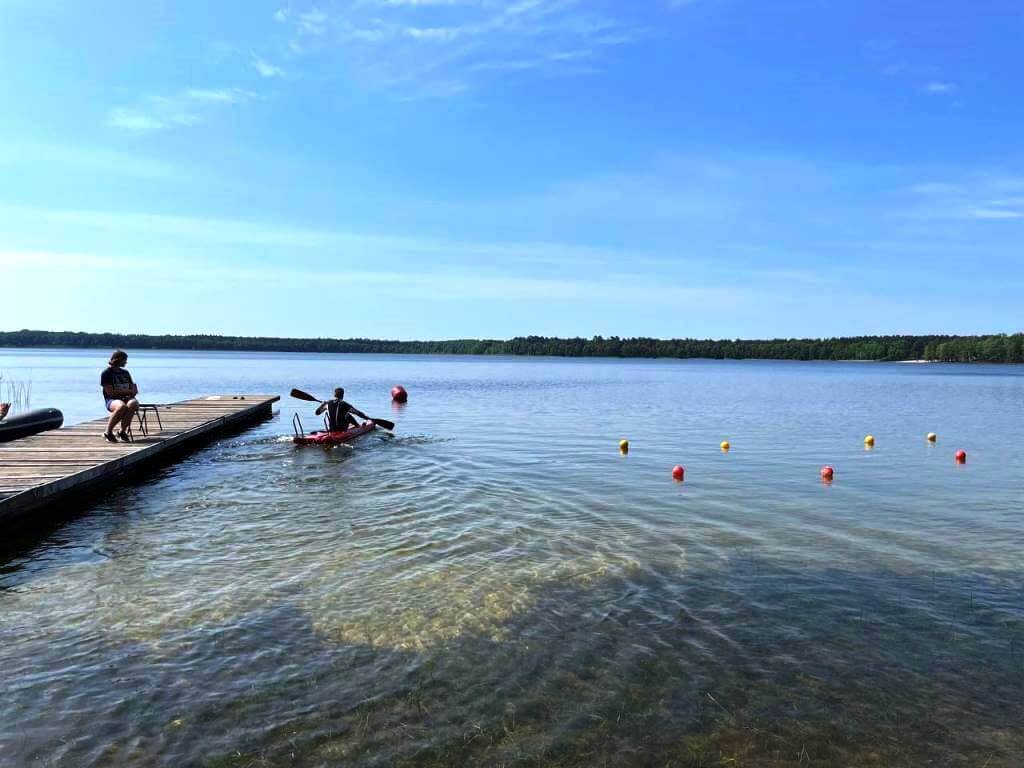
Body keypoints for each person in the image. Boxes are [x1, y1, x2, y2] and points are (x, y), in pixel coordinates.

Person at [101, 349, 139, 442]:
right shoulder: (106, 373)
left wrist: (130, 393)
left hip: (127, 398)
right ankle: (108, 432)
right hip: (112, 400)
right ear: (117, 360)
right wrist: (128, 391)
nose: (126, 362)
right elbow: (110, 392)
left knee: (133, 403)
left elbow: (134, 389)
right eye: (124, 360)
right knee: (121, 406)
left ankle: (122, 432)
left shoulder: (125, 373)